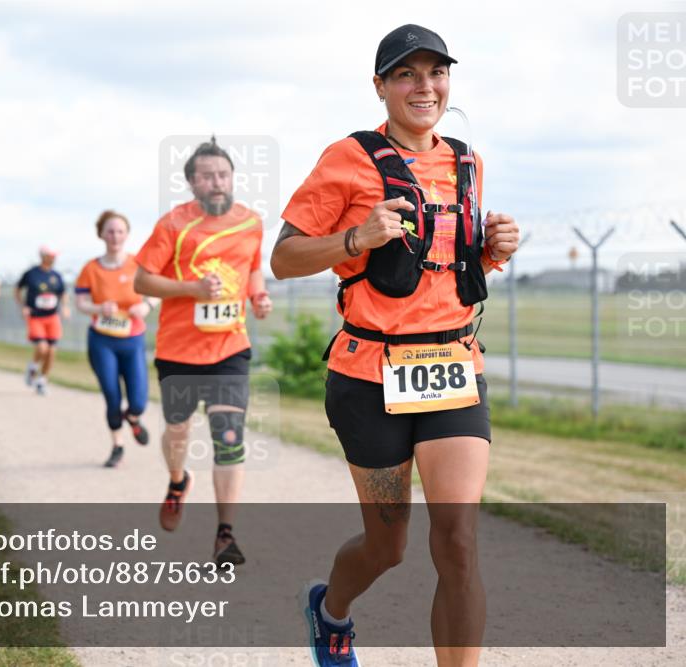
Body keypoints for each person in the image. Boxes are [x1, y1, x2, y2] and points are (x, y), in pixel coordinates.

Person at [271, 25, 520, 667]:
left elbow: (446, 270)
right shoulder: (347, 158)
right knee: (388, 546)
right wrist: (355, 238)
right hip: (368, 379)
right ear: (380, 86)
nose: (424, 86)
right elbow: (284, 258)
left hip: (452, 371)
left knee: (458, 541)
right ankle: (330, 612)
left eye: (436, 72)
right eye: (407, 74)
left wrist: (493, 252)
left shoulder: (467, 162)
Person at [134, 136, 273, 566]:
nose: (217, 182)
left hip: (230, 347)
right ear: (192, 183)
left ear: (233, 177)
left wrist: (258, 296)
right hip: (179, 349)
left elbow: (252, 269)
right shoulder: (173, 224)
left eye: (224, 175)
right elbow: (142, 281)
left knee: (228, 436)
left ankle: (225, 535)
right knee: (178, 432)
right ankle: (178, 481)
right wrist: (191, 289)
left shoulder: (250, 222)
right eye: (208, 176)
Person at [75, 211, 154, 468]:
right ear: (101, 234)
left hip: (132, 339)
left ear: (127, 234)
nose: (115, 236)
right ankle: (117, 446)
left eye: (120, 231)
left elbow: (156, 291)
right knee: (112, 395)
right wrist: (98, 308)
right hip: (102, 341)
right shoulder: (91, 268)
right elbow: (81, 302)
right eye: (110, 231)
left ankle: (133, 418)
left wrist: (146, 306)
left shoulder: (138, 264)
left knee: (138, 401)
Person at [16, 247, 69, 396]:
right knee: (42, 348)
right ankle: (33, 367)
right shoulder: (31, 274)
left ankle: (42, 380)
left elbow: (63, 293)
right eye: (50, 256)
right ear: (43, 256)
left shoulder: (56, 275)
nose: (53, 258)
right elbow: (18, 289)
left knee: (52, 351)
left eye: (54, 256)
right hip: (36, 316)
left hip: (52, 317)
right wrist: (23, 306)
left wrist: (65, 307)